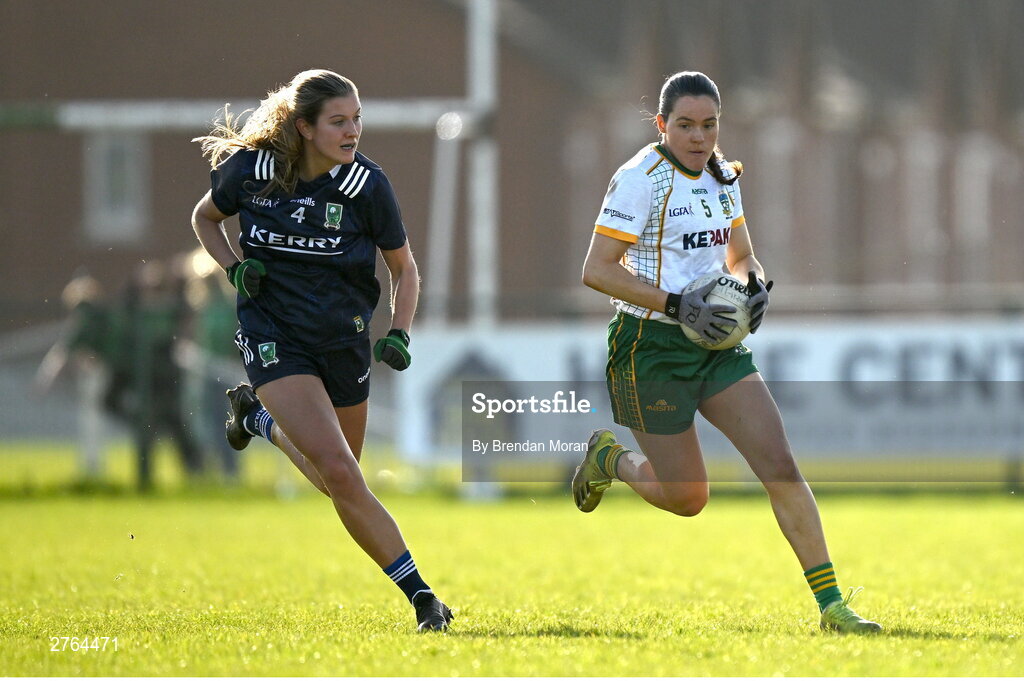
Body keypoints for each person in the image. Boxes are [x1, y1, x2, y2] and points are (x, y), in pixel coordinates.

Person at [575, 71, 881, 634]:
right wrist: (677, 304)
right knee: (688, 498)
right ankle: (610, 460)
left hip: (717, 341)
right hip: (651, 348)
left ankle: (832, 606)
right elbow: (596, 271)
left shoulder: (723, 174)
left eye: (710, 124)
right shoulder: (639, 179)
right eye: (686, 125)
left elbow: (743, 256)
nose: (699, 137)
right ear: (662, 124)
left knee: (780, 465)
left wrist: (757, 285)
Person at [190, 69, 453, 632]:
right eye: (339, 121)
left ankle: (258, 421)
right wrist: (235, 270)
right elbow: (204, 218)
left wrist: (400, 331)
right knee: (340, 470)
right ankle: (424, 598)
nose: (353, 130)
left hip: (342, 339)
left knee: (339, 475)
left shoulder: (367, 186)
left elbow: (404, 268)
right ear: (305, 127)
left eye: (357, 118)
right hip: (274, 337)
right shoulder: (252, 172)